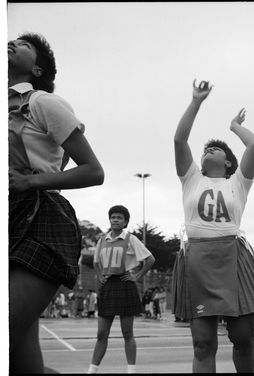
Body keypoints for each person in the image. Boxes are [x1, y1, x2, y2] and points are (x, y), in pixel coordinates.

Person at [8, 32, 104, 373]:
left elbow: (94, 171)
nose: (12, 44)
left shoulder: (42, 103)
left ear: (35, 69)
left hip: (41, 224)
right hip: (8, 222)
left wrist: (32, 180)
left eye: (24, 45)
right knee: (21, 365)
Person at [172, 80, 254, 373]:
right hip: (198, 260)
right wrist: (196, 102)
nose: (208, 150)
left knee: (243, 338)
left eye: (215, 149)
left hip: (233, 258)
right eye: (206, 149)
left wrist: (234, 126)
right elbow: (179, 140)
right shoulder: (191, 178)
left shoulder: (238, 183)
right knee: (203, 344)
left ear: (229, 163)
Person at [87, 205, 155, 374]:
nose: (115, 220)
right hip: (108, 286)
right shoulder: (102, 240)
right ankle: (92, 370)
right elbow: (96, 262)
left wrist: (136, 276)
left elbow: (150, 260)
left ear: (125, 222)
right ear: (109, 220)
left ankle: (131, 371)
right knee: (102, 334)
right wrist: (100, 276)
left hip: (125, 285)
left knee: (127, 333)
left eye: (119, 217)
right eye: (113, 217)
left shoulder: (131, 239)